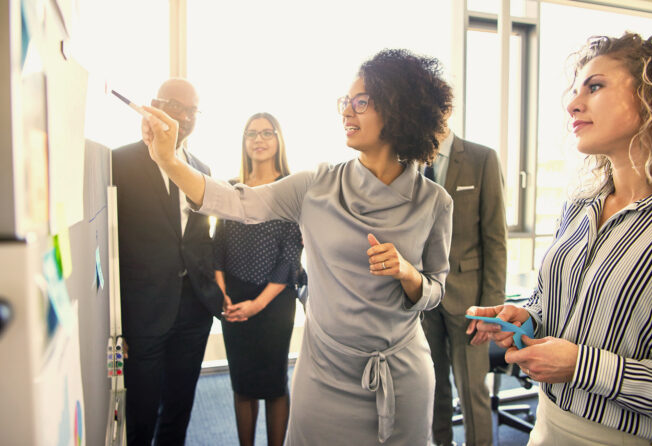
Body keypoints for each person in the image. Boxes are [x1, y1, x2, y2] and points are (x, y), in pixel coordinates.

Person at [141, 49, 453, 445]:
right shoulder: (315, 186)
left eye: (361, 103)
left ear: (397, 110)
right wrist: (169, 162)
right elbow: (235, 201)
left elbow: (435, 292)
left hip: (400, 376)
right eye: (345, 102)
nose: (347, 112)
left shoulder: (435, 202)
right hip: (325, 374)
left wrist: (408, 273)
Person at [467, 32, 652, 445]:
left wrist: (582, 366)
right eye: (575, 91)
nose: (573, 104)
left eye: (595, 87)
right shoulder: (580, 206)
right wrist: (527, 319)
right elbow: (550, 302)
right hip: (547, 422)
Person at [112, 78, 223, 446]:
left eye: (191, 110)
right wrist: (116, 321)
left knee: (179, 407)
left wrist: (213, 289)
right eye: (175, 105)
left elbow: (198, 237)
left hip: (193, 307)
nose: (183, 116)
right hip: (144, 310)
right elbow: (110, 244)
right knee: (141, 411)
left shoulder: (201, 167)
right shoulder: (119, 162)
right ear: (154, 105)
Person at [421, 91, 507, 446]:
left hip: (469, 300)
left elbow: (496, 239)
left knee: (473, 392)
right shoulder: (408, 161)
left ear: (448, 109)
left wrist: (491, 310)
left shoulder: (481, 158)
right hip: (422, 299)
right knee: (432, 390)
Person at [213, 112, 305, 446]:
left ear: (279, 139)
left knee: (274, 383)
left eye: (267, 132)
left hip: (275, 300)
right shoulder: (231, 187)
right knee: (243, 382)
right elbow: (218, 244)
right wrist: (222, 293)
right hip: (234, 297)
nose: (259, 139)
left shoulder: (292, 188)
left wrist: (258, 305)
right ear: (244, 141)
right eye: (252, 133)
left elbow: (290, 255)